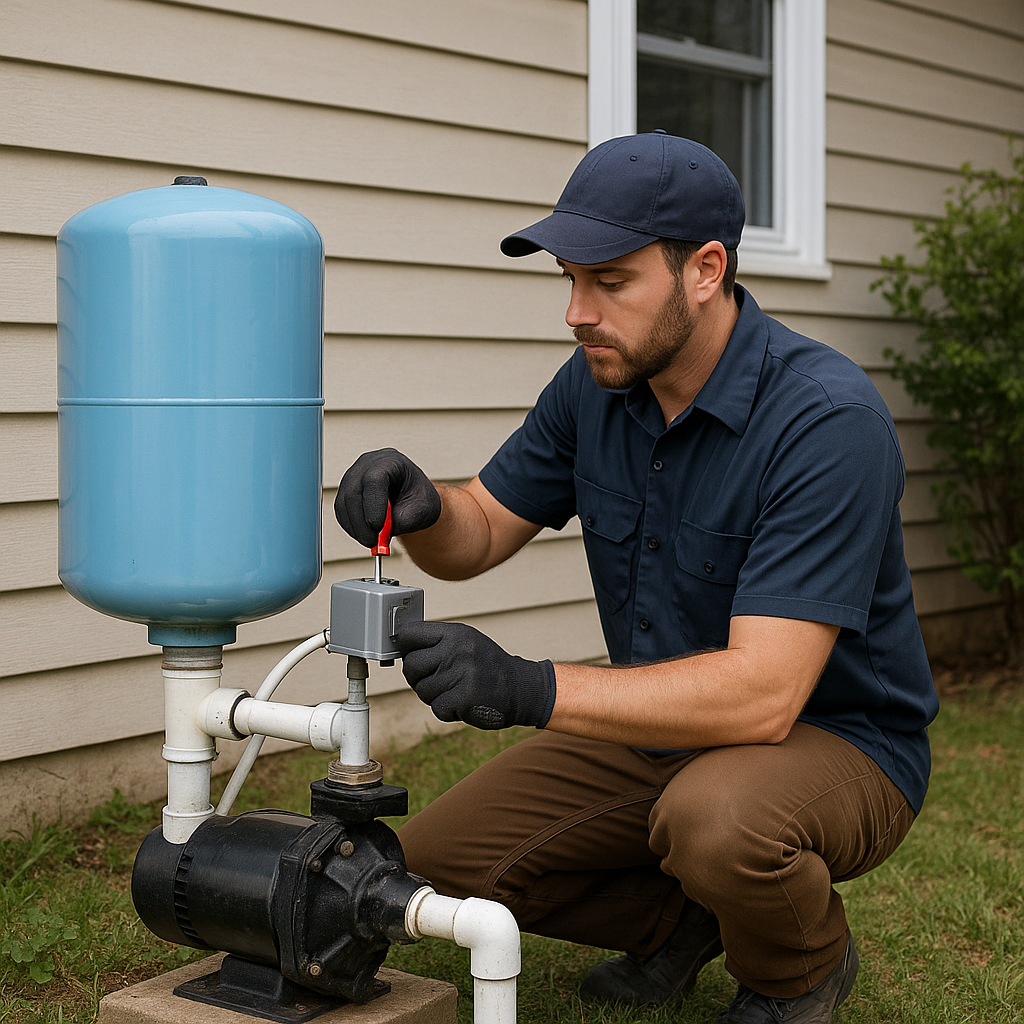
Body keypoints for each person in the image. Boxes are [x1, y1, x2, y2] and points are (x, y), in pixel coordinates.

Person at [334, 132, 938, 1024]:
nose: (578, 312)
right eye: (569, 280)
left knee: (718, 823)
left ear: (705, 269)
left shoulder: (826, 421)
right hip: (659, 728)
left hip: (837, 742)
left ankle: (798, 968)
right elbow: (484, 528)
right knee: (426, 870)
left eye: (610, 282)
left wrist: (530, 687)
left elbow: (765, 696)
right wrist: (426, 507)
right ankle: (684, 922)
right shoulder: (598, 384)